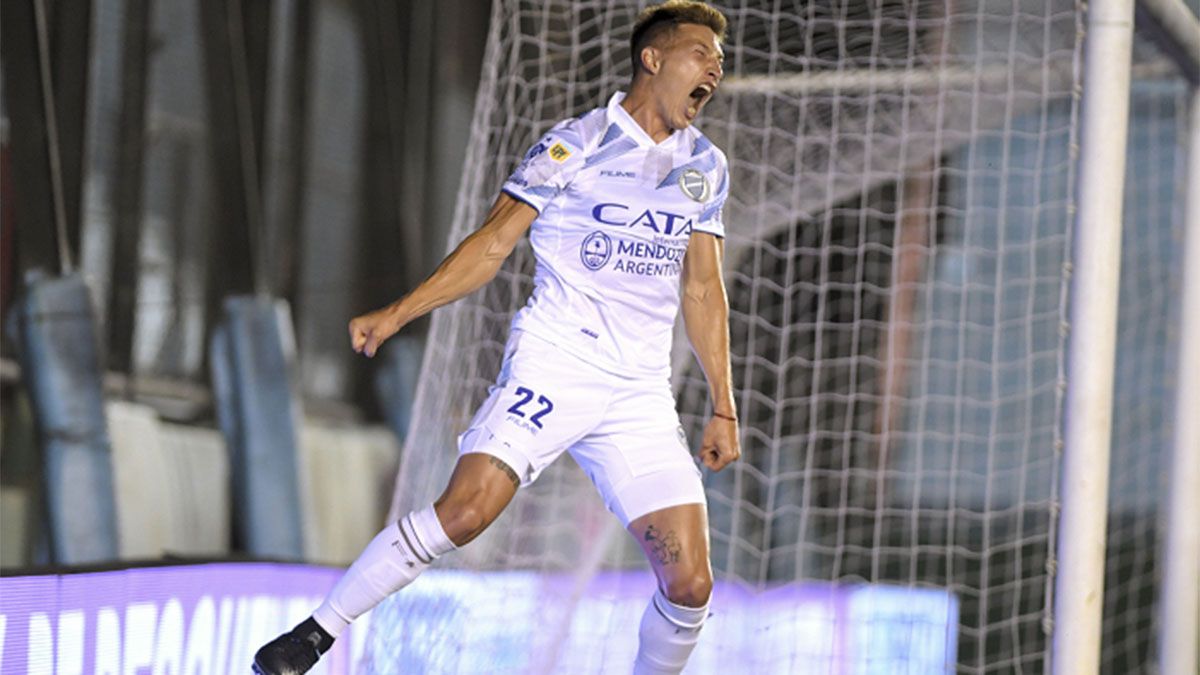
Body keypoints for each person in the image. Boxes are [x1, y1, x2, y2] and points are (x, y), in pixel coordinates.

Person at [253, 2, 736, 673]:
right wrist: (398, 313)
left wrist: (723, 405)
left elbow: (703, 289)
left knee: (690, 585)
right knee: (466, 512)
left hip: (638, 391)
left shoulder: (705, 166)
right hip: (556, 362)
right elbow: (491, 245)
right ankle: (314, 634)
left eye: (720, 60)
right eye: (700, 53)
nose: (715, 68)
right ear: (652, 59)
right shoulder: (576, 144)